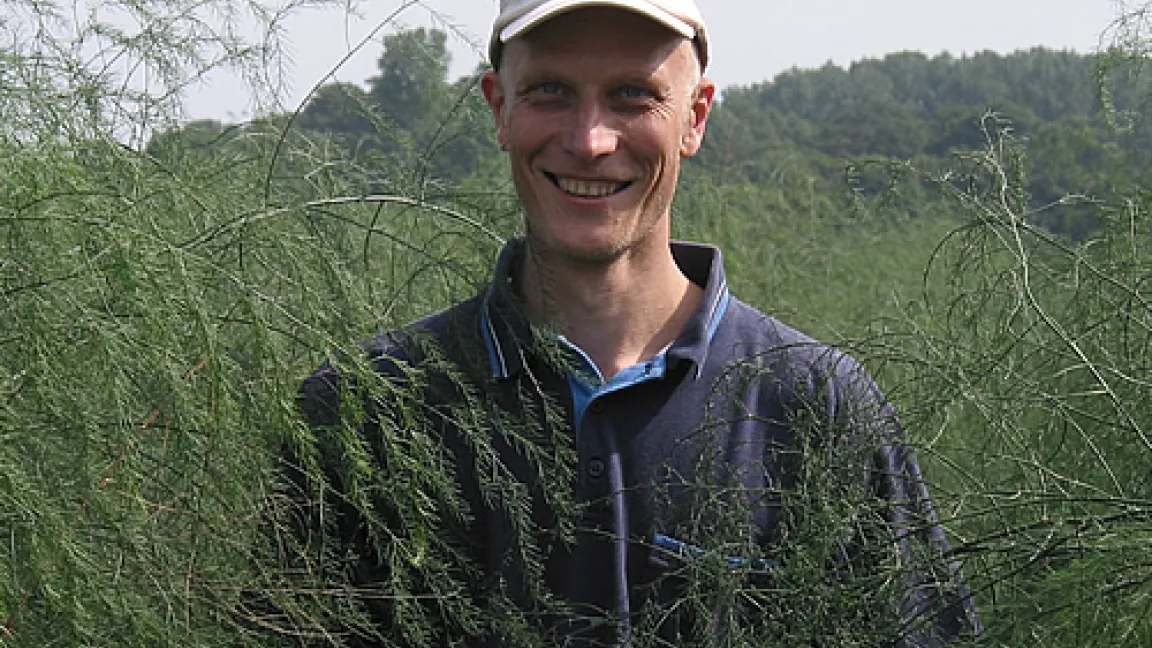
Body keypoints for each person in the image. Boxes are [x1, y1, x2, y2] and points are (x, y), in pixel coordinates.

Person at [292, 1, 983, 646]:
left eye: (633, 94)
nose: (590, 140)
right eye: (550, 91)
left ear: (696, 117)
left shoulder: (816, 409)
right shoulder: (366, 409)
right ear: (499, 108)